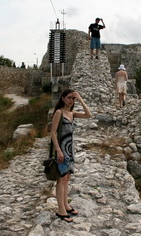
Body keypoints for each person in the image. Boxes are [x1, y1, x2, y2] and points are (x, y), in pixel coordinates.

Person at [50, 88, 92, 223]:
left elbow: (88, 115)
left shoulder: (72, 113)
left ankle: (66, 206)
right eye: (69, 98)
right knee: (61, 179)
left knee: (67, 178)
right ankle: (61, 210)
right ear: (63, 98)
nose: (71, 100)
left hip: (70, 149)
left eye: (72, 98)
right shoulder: (59, 112)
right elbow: (52, 133)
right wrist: (58, 150)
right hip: (62, 150)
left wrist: (80, 99)